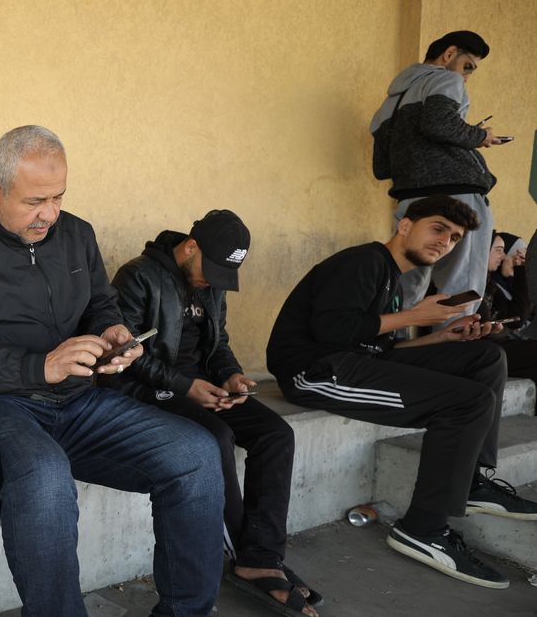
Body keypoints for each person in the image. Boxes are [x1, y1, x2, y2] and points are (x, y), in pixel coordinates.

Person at [0, 125, 224, 617]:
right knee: (45, 476)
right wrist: (43, 365)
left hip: (79, 402)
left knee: (196, 452)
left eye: (58, 197)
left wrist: (115, 334)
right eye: (35, 201)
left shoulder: (76, 234)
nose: (50, 214)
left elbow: (101, 304)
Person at [266, 195, 537, 590]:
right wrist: (415, 316)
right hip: (315, 372)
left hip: (353, 363)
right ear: (406, 226)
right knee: (468, 401)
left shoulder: (392, 278)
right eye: (438, 229)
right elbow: (331, 333)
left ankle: (473, 481)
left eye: (455, 237)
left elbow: (379, 348)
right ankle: (423, 528)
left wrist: (442, 336)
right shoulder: (363, 262)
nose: (445, 242)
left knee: (486, 357)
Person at [107, 210, 320, 617]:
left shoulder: (209, 283)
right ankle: (247, 555)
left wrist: (233, 376)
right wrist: (187, 387)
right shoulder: (137, 277)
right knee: (216, 438)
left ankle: (262, 553)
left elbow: (218, 342)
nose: (214, 282)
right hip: (149, 388)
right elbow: (126, 357)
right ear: (191, 247)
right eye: (213, 271)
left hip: (200, 385)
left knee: (276, 434)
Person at [369, 31, 506, 316]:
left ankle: (390, 348)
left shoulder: (389, 104)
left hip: (411, 198)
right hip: (456, 194)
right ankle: (455, 355)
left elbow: (382, 167)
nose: (467, 76)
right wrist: (480, 135)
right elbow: (439, 124)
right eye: (468, 65)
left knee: (405, 283)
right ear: (449, 53)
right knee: (462, 286)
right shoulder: (446, 78)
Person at [480, 231, 537, 379]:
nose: (504, 256)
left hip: (501, 344)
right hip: (489, 348)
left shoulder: (492, 285)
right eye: (499, 250)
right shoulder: (482, 285)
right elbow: (519, 317)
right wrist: (520, 271)